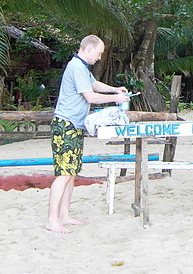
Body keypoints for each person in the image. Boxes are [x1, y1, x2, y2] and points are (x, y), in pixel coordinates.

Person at [46, 35, 130, 234]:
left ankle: (65, 214)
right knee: (63, 173)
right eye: (99, 53)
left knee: (71, 172)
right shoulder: (76, 67)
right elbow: (90, 96)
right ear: (90, 49)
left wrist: (114, 89)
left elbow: (94, 85)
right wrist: (115, 98)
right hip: (65, 126)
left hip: (75, 126)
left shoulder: (82, 68)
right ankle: (52, 219)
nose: (100, 58)